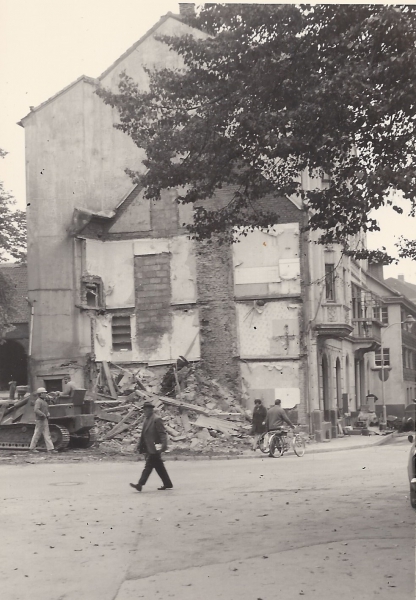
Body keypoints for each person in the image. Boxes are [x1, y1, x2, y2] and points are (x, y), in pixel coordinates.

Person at [130, 400, 173, 492]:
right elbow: (143, 434)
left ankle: (140, 484)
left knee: (148, 466)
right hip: (149, 447)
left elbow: (162, 434)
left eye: (145, 410)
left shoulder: (156, 419)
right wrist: (139, 445)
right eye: (144, 410)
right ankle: (167, 483)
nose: (144, 411)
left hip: (155, 448)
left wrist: (163, 446)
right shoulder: (146, 419)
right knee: (159, 466)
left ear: (150, 410)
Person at [29, 387, 57, 453]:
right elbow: (36, 410)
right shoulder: (38, 401)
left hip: (44, 419)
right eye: (44, 393)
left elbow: (45, 409)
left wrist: (47, 413)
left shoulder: (43, 401)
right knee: (37, 434)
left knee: (47, 434)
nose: (45, 394)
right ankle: (32, 448)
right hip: (40, 420)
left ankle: (50, 449)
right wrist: (43, 414)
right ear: (40, 394)